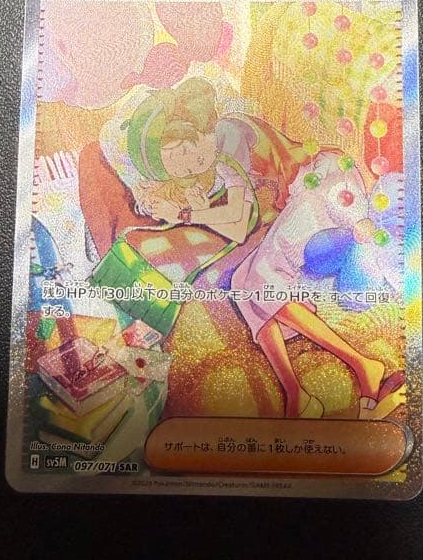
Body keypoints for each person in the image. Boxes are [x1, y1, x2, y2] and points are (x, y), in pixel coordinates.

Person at [112, 78, 405, 419]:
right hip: (292, 200)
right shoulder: (213, 159)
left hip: (322, 185)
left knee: (261, 275)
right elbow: (234, 215)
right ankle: (295, 393)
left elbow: (239, 225)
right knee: (241, 284)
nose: (190, 165)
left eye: (186, 153)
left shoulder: (229, 137)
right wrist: (187, 208)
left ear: (199, 130)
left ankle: (363, 365)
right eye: (178, 166)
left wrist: (187, 214)